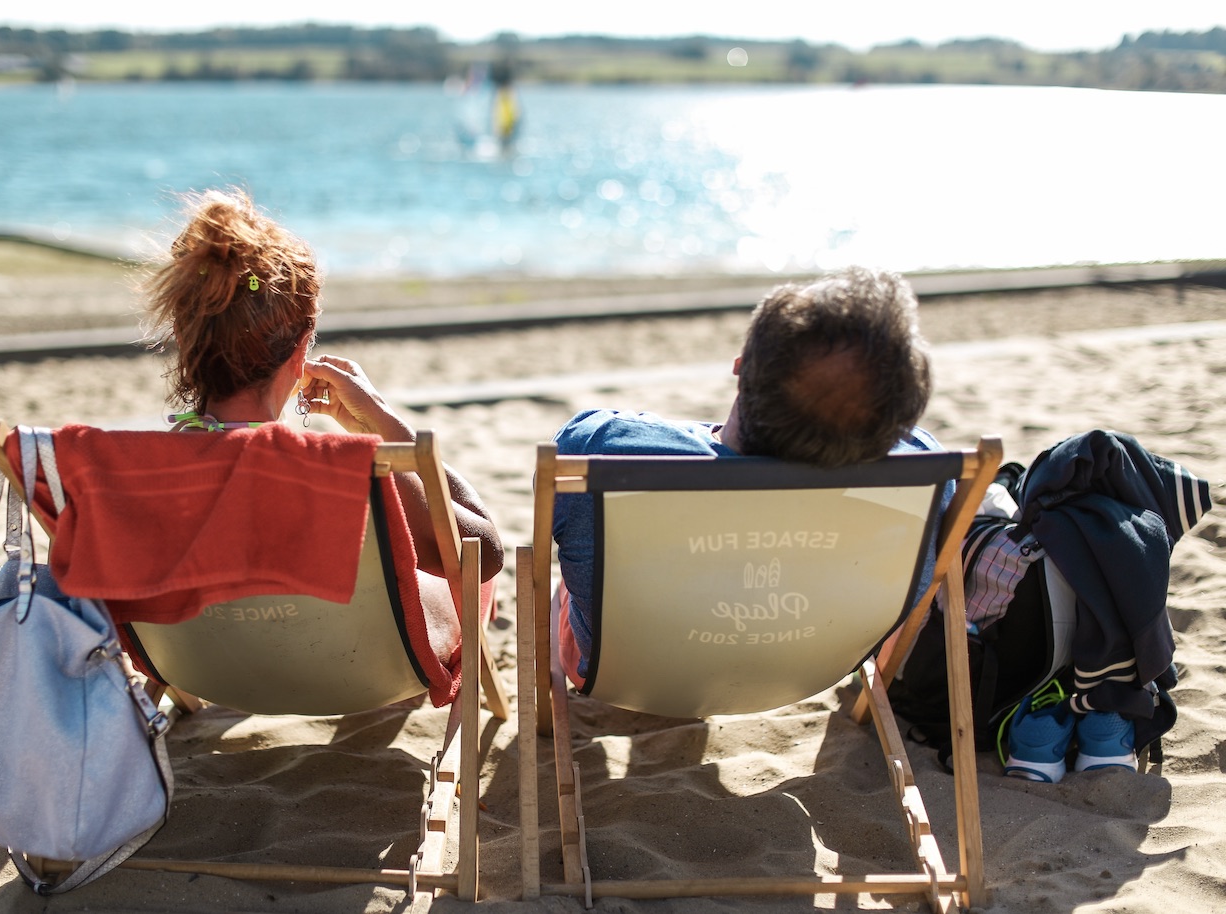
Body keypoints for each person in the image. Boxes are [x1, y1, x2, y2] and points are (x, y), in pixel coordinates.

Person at [144, 188, 504, 661]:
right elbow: (486, 553)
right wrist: (382, 424)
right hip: (355, 668)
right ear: (301, 350)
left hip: (214, 664)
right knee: (460, 569)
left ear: (181, 340)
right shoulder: (347, 471)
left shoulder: (144, 470)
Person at [551, 266, 941, 686]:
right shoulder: (925, 471)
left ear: (740, 366)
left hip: (629, 674)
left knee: (571, 573)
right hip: (812, 667)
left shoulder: (600, 448)